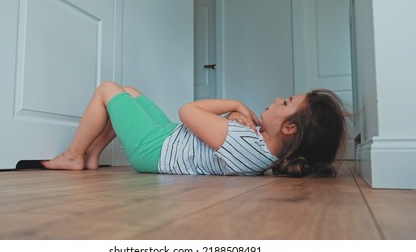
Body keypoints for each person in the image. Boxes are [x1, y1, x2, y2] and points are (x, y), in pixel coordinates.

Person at [41, 82, 348, 177]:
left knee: (108, 90)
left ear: (289, 127)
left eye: (287, 101)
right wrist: (234, 118)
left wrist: (237, 104)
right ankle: (93, 155)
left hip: (155, 148)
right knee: (129, 93)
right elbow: (214, 136)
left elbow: (187, 111)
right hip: (169, 137)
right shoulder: (260, 150)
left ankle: (74, 155)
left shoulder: (246, 142)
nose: (279, 98)